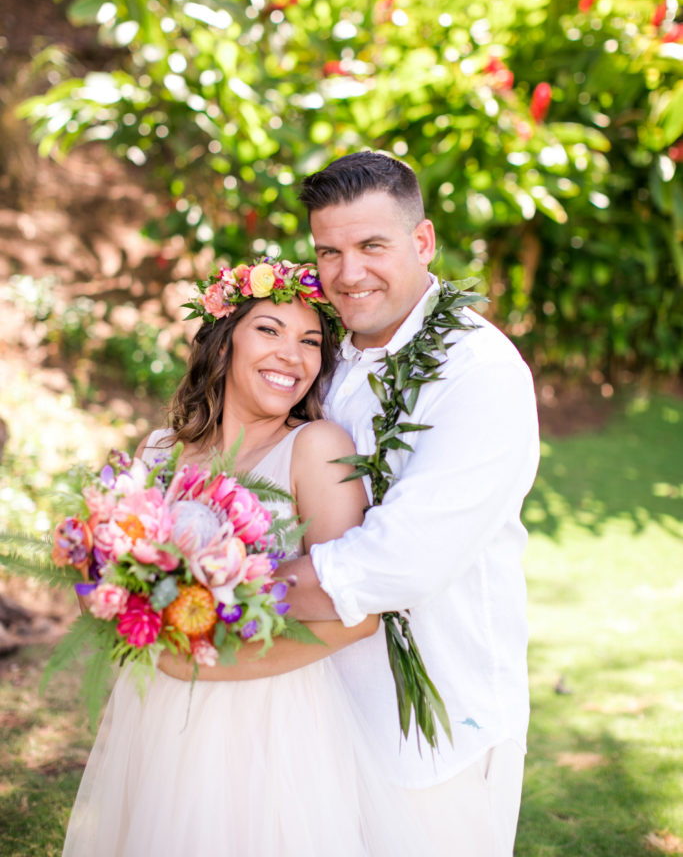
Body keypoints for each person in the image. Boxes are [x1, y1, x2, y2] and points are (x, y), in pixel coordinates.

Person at [61, 260, 424, 857]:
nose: (293, 355)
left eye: (311, 341)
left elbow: (358, 615)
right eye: (270, 330)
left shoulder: (317, 449)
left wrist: (208, 668)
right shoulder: (158, 452)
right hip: (155, 711)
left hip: (272, 722)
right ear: (224, 341)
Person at [274, 150, 541, 857]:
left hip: (435, 720)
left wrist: (217, 599)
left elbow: (402, 562)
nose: (347, 273)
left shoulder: (477, 373)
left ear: (421, 243)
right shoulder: (316, 355)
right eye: (328, 251)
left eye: (370, 246)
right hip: (311, 700)